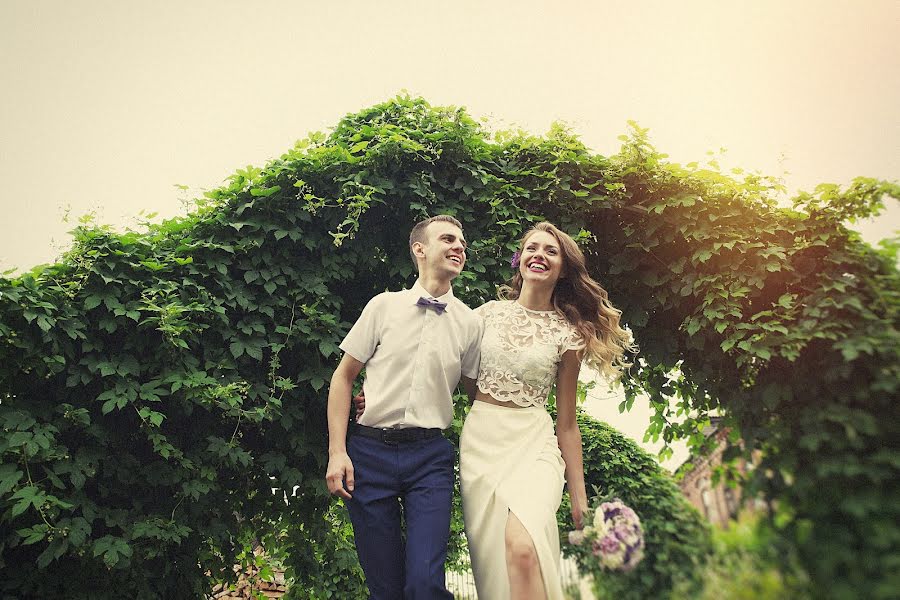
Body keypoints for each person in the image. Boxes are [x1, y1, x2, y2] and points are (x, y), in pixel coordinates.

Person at [460, 222, 633, 600]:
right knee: (497, 564)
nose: (539, 255)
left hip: (535, 445)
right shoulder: (484, 316)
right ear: (519, 259)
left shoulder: (567, 336)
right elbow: (448, 372)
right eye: (532, 248)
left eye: (551, 251)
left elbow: (567, 423)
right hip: (482, 445)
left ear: (564, 269)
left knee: (523, 549)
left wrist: (579, 496)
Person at [324, 214, 483, 600]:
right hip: (369, 454)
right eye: (448, 239)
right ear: (419, 249)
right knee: (386, 588)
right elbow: (343, 378)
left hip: (429, 458)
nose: (458, 246)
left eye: (462, 242)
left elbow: (479, 397)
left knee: (425, 583)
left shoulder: (469, 323)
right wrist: (337, 452)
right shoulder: (383, 307)